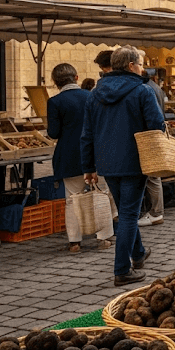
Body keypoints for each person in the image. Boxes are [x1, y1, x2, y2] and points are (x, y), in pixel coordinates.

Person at [81, 46, 165, 286]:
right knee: (129, 214)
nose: (142, 67)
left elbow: (86, 134)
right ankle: (122, 270)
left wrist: (88, 166)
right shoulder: (142, 91)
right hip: (134, 160)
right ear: (130, 66)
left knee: (125, 210)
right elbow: (156, 126)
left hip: (107, 163)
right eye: (140, 63)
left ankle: (138, 254)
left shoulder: (95, 94)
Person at [46, 63, 115, 253]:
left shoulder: (55, 102)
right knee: (101, 194)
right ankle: (105, 237)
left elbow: (53, 133)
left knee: (72, 199)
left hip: (69, 155)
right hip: (96, 152)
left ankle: (74, 241)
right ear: (76, 77)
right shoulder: (92, 96)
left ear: (55, 82)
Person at [138, 69, 167, 227]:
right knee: (153, 175)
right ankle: (156, 211)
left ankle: (156, 211)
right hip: (154, 134)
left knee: (152, 176)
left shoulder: (146, 89)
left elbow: (154, 116)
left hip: (148, 136)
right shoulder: (156, 87)